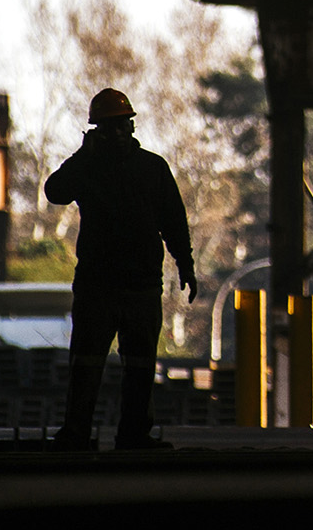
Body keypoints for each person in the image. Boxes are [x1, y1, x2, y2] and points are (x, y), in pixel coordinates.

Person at [46, 88, 197, 451]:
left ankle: (133, 434)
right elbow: (55, 191)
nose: (115, 134)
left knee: (141, 365)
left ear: (130, 127)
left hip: (140, 285)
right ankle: (77, 434)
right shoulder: (87, 168)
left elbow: (173, 221)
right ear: (96, 131)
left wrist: (186, 263)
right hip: (99, 286)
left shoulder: (152, 167)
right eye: (107, 128)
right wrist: (82, 158)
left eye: (120, 126)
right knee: (86, 363)